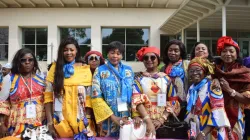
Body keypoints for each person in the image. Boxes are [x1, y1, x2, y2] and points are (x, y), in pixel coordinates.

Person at [44, 37, 93, 139]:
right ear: (61, 51)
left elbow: (89, 98)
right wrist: (49, 123)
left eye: (71, 50)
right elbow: (48, 98)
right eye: (65, 50)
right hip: (60, 121)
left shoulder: (84, 68)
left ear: (77, 51)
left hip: (81, 122)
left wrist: (88, 120)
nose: (68, 53)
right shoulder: (54, 68)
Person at [132, 47, 180, 137]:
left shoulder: (167, 79)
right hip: (143, 121)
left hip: (164, 123)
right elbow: (137, 100)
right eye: (146, 58)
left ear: (158, 60)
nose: (149, 60)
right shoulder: (138, 79)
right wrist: (148, 121)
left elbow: (173, 101)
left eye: (152, 57)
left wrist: (161, 119)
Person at [91, 41, 134, 137]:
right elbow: (96, 96)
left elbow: (135, 93)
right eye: (112, 53)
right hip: (108, 119)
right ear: (107, 54)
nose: (115, 56)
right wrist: (113, 117)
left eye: (118, 53)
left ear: (122, 56)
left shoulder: (128, 70)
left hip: (127, 116)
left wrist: (135, 115)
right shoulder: (100, 70)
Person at [0, 48, 46, 138]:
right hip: (17, 125)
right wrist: (1, 124)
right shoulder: (9, 79)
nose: (27, 62)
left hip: (40, 124)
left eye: (30, 60)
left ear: (34, 62)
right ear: (18, 62)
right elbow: (2, 102)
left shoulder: (42, 80)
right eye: (23, 60)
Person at [213, 36, 250, 140]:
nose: (228, 54)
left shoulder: (244, 72)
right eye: (224, 51)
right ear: (220, 53)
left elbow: (247, 99)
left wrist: (229, 90)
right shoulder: (214, 70)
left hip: (236, 115)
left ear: (236, 54)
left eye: (231, 51)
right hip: (215, 115)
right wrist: (213, 80)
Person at [185, 57, 230, 140]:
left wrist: (203, 133)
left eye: (198, 70)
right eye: (191, 71)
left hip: (211, 131)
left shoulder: (212, 86)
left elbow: (218, 112)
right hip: (196, 128)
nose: (194, 73)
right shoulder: (191, 88)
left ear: (204, 72)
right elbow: (191, 111)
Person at [83, 50, 105, 136]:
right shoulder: (82, 75)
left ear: (100, 61)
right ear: (87, 61)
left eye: (96, 58)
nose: (94, 60)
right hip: (86, 109)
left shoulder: (105, 74)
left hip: (101, 107)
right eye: (91, 58)